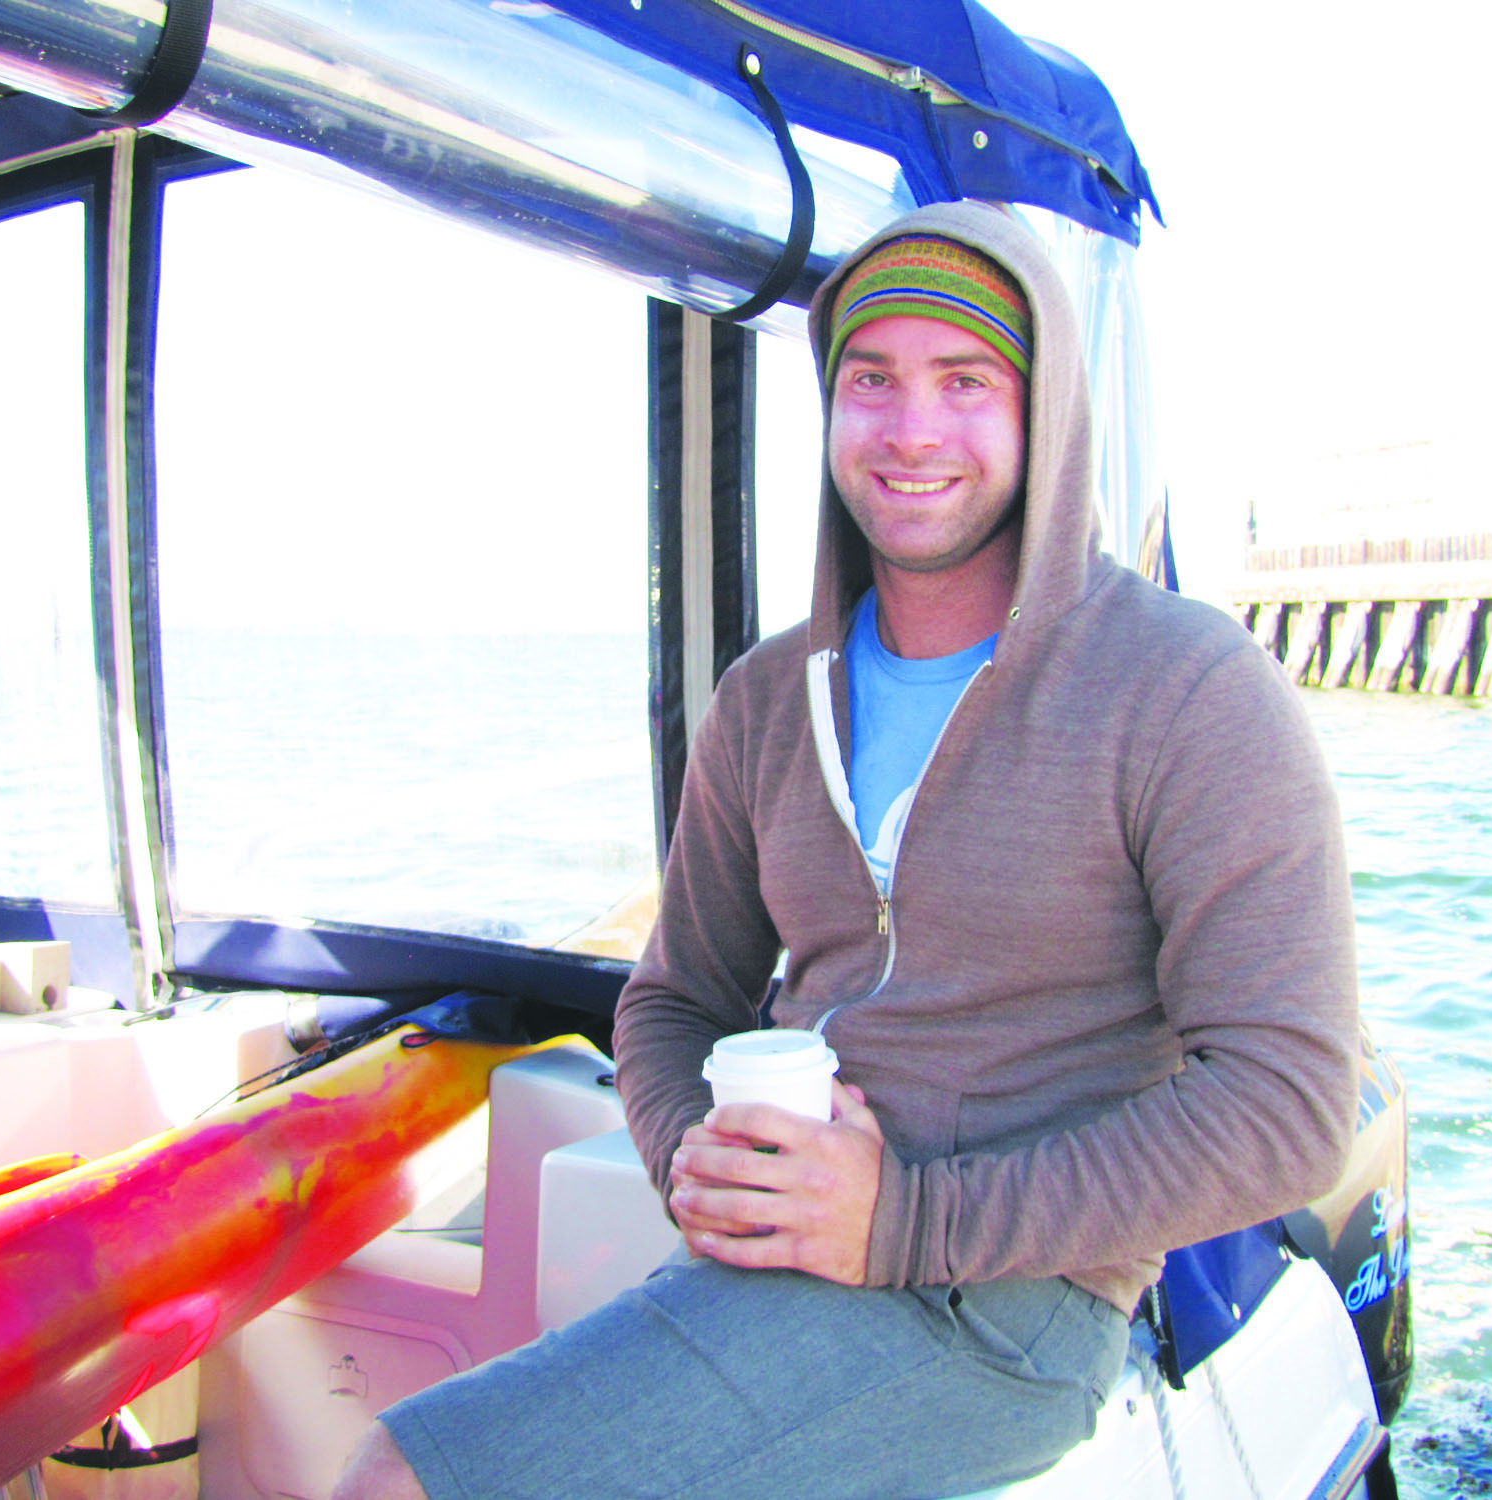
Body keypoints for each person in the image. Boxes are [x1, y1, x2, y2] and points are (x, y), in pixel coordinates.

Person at [334, 200, 1359, 1500]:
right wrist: (691, 1162)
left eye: (966, 380)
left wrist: (905, 1222)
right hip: (775, 1268)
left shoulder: (1184, 687)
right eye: (871, 379)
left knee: (397, 1477)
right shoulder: (767, 700)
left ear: (1045, 413)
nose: (912, 428)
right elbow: (674, 1001)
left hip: (1011, 1310)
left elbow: (1289, 1099)